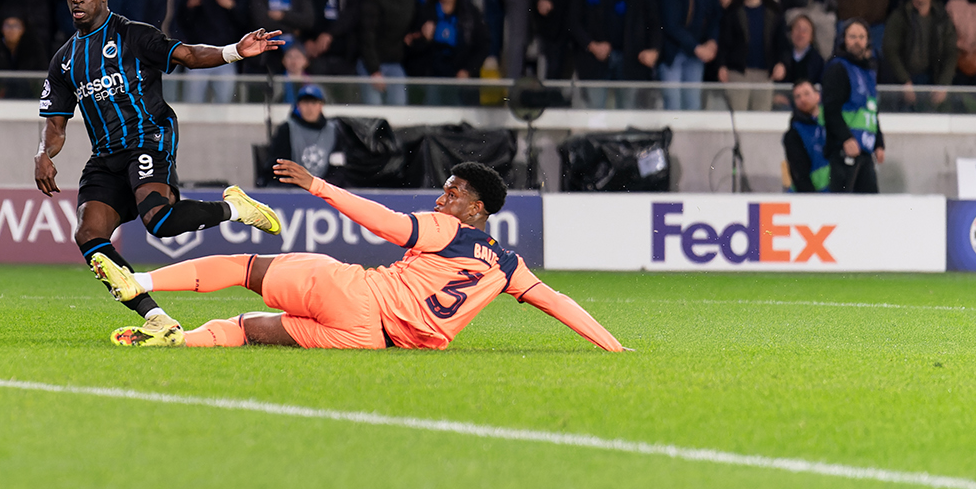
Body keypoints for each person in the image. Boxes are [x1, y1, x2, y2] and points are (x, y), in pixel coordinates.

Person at [90, 159, 625, 353]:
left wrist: (318, 185)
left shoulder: (445, 228)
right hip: (369, 340)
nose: (443, 199)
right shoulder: (508, 266)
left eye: (453, 192)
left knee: (243, 266)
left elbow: (384, 223)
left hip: (352, 291)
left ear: (476, 208)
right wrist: (614, 348)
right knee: (249, 329)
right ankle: (177, 340)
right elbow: (559, 303)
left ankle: (143, 284)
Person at [34, 0, 284, 346]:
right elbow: (56, 125)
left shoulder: (133, 35)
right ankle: (156, 318)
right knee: (89, 233)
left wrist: (235, 50)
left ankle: (237, 209)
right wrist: (43, 153)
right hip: (106, 155)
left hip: (149, 137)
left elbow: (187, 55)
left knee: (159, 221)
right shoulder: (65, 60)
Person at [822, 18, 884, 192]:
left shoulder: (869, 72)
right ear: (844, 39)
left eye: (862, 37)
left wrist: (879, 143)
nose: (858, 41)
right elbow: (830, 109)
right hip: (845, 148)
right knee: (843, 204)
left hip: (864, 150)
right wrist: (845, 138)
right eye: (853, 36)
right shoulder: (837, 68)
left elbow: (872, 112)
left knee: (869, 204)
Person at [782, 79, 830, 192]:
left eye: (806, 94)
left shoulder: (833, 123)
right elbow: (799, 175)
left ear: (818, 96)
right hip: (810, 198)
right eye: (797, 96)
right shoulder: (793, 134)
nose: (802, 99)